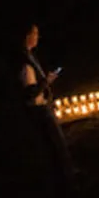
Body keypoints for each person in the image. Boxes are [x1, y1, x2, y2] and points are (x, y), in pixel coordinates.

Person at [20, 23, 76, 188]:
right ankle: (66, 179)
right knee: (56, 144)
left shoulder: (30, 55)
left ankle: (66, 174)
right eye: (35, 33)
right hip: (39, 110)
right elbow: (30, 92)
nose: (38, 36)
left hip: (42, 108)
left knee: (57, 143)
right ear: (27, 36)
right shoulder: (24, 61)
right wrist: (46, 81)